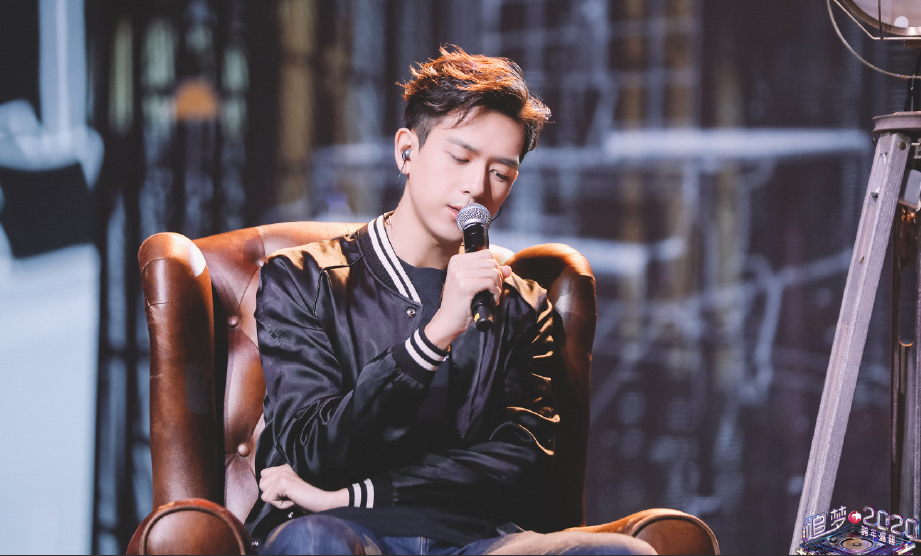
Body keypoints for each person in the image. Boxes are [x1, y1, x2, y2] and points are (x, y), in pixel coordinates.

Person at [244, 45, 655, 555]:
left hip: (471, 542)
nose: (475, 188)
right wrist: (435, 335)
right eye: (460, 158)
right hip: (336, 533)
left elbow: (521, 462)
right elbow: (315, 451)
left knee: (625, 553)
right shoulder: (302, 280)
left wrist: (360, 493)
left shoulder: (522, 307)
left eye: (500, 174)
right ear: (407, 152)